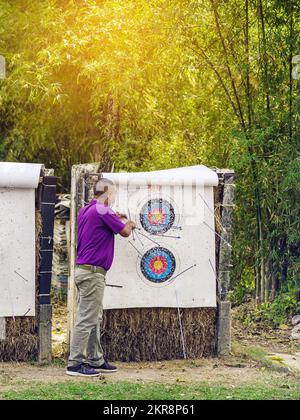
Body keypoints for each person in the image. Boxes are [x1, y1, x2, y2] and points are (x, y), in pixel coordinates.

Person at [66, 178, 136, 377]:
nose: (113, 198)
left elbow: (104, 218)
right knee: (87, 318)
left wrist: (116, 215)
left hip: (85, 271)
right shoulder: (104, 210)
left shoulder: (87, 209)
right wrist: (129, 223)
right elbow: (124, 232)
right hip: (93, 273)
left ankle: (95, 359)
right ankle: (75, 364)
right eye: (112, 194)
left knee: (93, 317)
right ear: (107, 193)